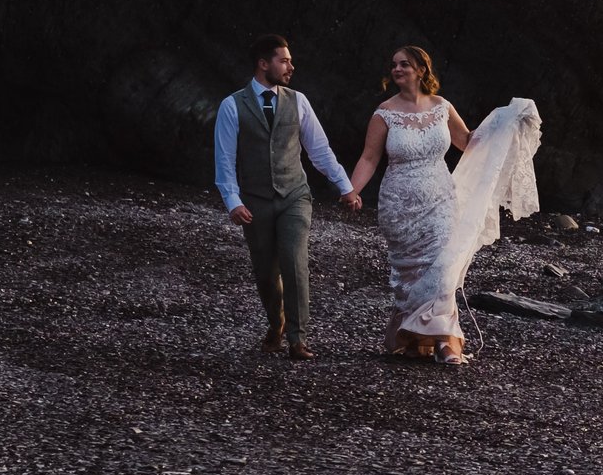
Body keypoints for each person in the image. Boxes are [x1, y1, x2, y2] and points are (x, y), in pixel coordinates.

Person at [349, 45, 543, 366]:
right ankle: (415, 338)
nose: (397, 69)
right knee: (410, 274)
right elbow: (369, 158)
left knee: (443, 268)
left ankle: (446, 342)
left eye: (405, 65)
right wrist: (352, 190)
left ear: (421, 70)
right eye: (394, 65)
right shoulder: (384, 113)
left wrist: (504, 123)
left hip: (441, 199)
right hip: (400, 204)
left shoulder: (441, 107)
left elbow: (467, 142)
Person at [213, 36, 361, 360]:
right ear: (263, 64)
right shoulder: (232, 106)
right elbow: (224, 159)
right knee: (265, 272)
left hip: (294, 194)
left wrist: (344, 186)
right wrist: (233, 201)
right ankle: (276, 323)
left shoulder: (299, 101)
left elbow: (319, 150)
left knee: (295, 262)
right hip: (254, 200)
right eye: (284, 61)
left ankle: (298, 339)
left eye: (290, 61)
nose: (291, 67)